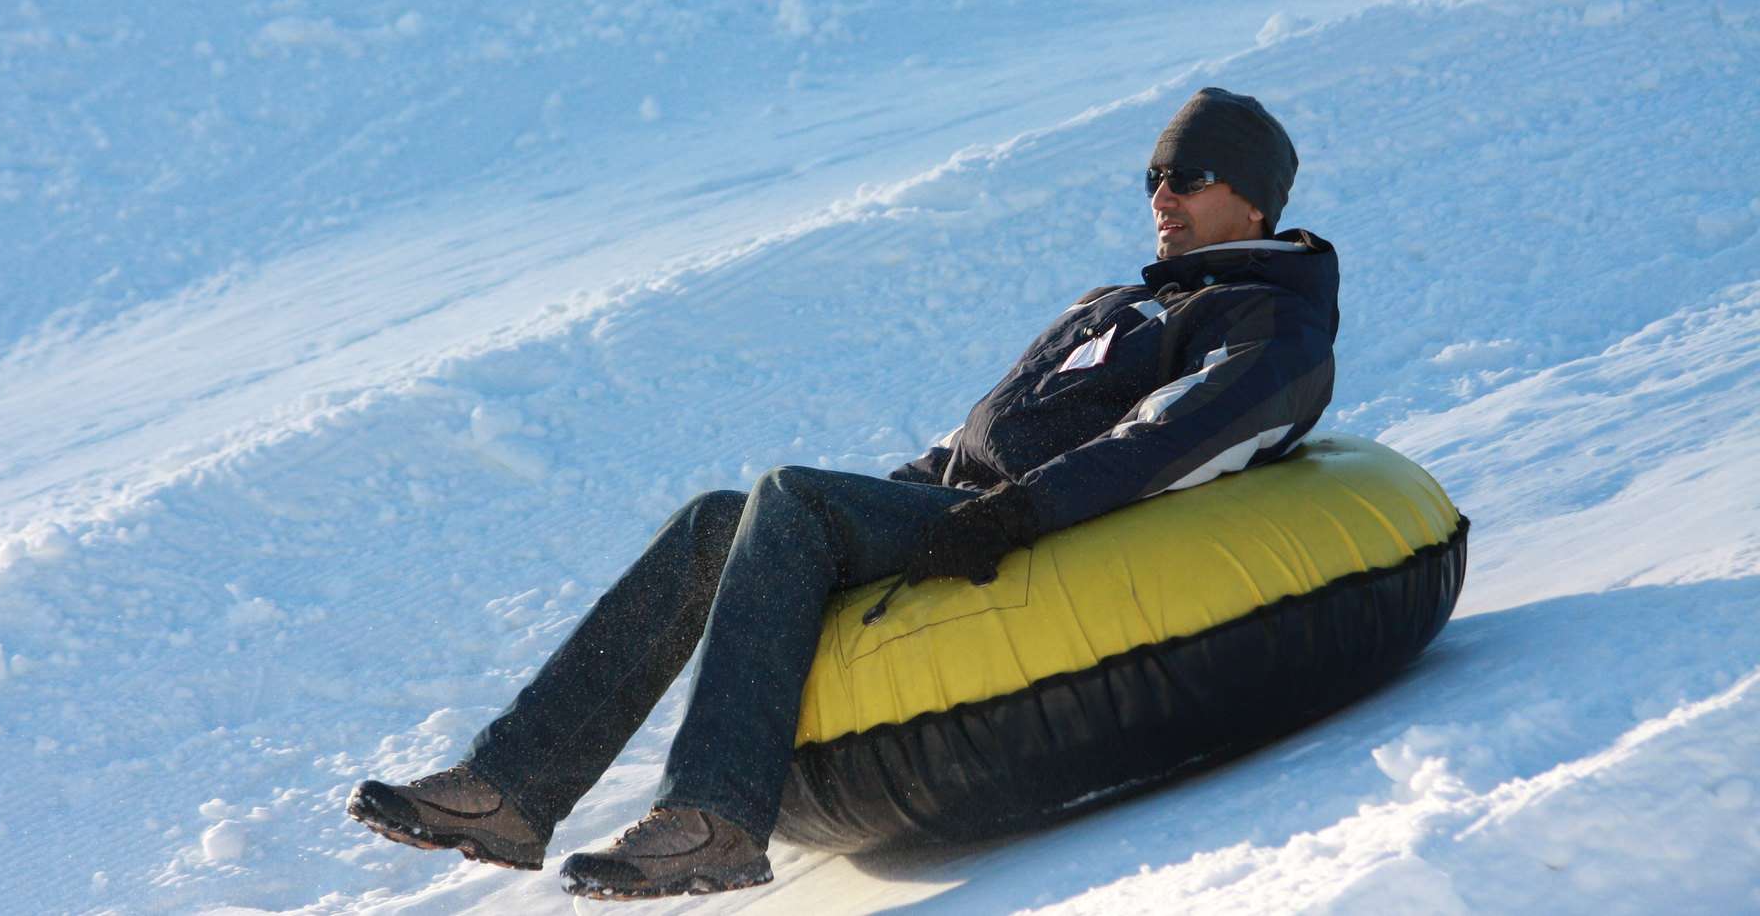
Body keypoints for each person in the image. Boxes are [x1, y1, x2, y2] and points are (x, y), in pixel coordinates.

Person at [348, 87, 1339, 900]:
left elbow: (1184, 432)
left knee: (794, 497)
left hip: (1043, 529)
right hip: (970, 506)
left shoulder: (1257, 314)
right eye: (1153, 177)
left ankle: (714, 824)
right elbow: (974, 437)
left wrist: (1021, 509)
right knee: (715, 525)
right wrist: (901, 496)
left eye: (1189, 178)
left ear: (1252, 202)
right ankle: (512, 790)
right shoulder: (1115, 304)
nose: (1161, 196)